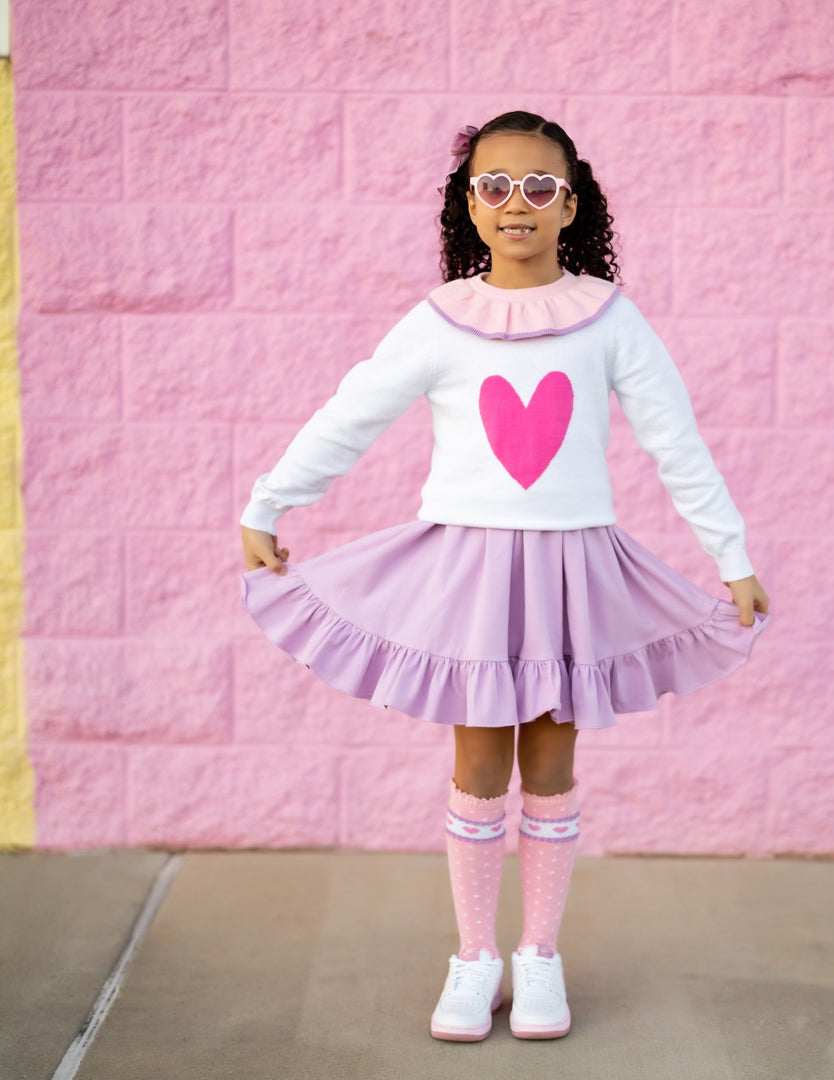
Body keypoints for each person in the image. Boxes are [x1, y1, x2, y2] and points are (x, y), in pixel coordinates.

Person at [239, 111, 769, 1043]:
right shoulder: (441, 319)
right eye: (494, 186)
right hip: (471, 576)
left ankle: (540, 958)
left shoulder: (610, 319)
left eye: (538, 186)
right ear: (468, 204)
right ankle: (475, 958)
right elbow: (352, 413)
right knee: (480, 760)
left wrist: (731, 556)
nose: (515, 204)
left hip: (573, 572)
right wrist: (269, 503)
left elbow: (675, 442)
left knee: (553, 758)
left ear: (572, 202)